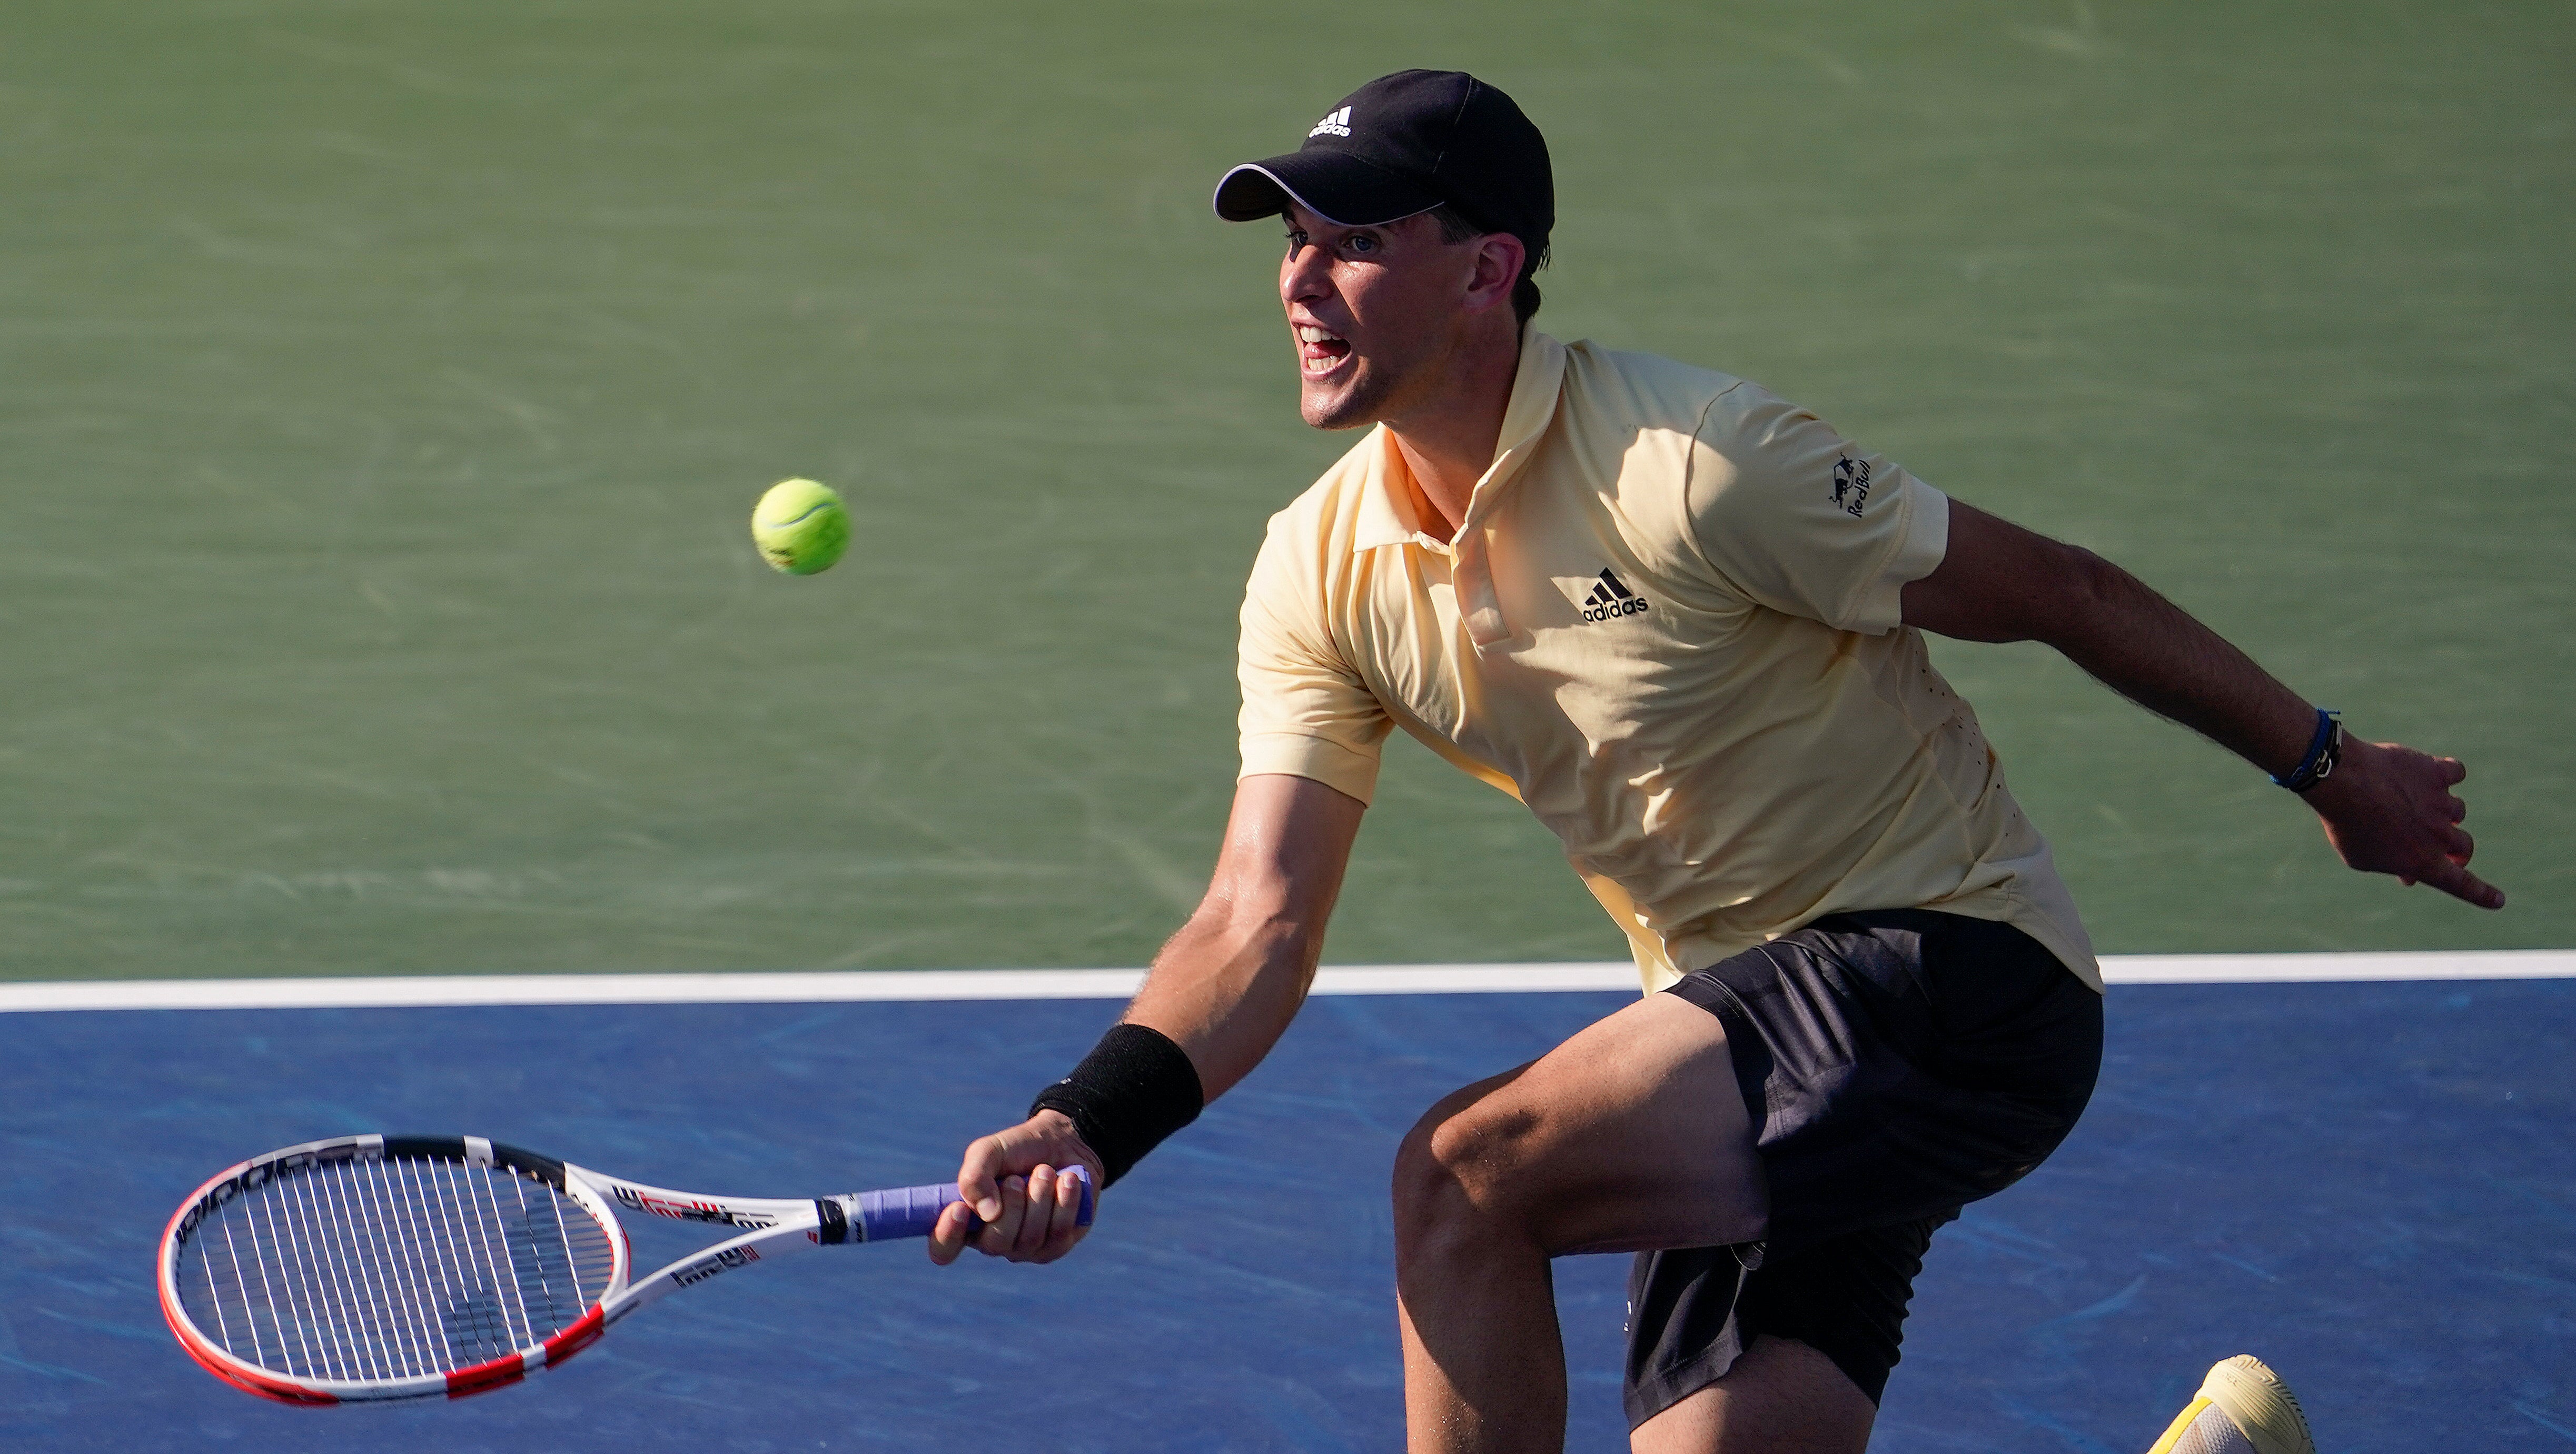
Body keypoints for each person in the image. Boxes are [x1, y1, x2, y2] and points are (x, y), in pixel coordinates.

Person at [923, 69, 2501, 1454]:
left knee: (1462, 1178)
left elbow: (2059, 590)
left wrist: (2326, 764)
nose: (1300, 279)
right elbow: (1253, 921)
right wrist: (1089, 1119)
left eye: (1350, 239)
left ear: (1488, 269)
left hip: (1951, 977)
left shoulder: (1691, 464)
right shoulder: (1314, 568)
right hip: (1742, 1036)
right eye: (1289, 241)